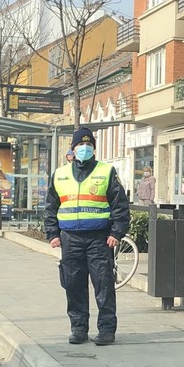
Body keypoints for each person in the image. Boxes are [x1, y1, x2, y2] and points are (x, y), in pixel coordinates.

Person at [45, 127, 130, 346]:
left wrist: (116, 233)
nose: (84, 148)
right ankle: (78, 328)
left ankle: (106, 330)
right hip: (70, 238)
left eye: (89, 145)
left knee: (103, 284)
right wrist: (52, 233)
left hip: (99, 238)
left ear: (93, 148)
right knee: (73, 285)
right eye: (80, 145)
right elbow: (50, 207)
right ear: (72, 149)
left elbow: (120, 205)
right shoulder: (60, 174)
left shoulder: (106, 171)